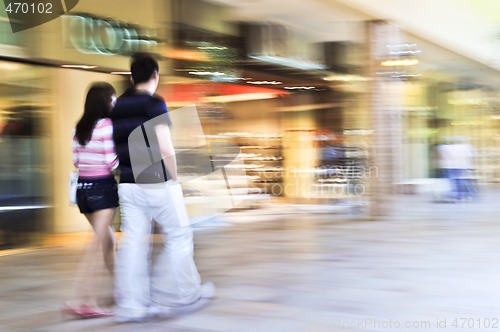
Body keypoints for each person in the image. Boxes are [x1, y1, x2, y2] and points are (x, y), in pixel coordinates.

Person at [110, 53, 214, 323]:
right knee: (179, 235)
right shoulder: (154, 103)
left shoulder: (117, 106)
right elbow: (165, 147)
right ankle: (183, 293)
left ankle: (132, 305)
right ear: (155, 76)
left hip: (128, 184)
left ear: (132, 77)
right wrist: (175, 177)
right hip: (156, 180)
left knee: (132, 243)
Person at [63, 82, 119, 318]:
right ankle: (83, 300)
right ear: (104, 101)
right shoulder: (106, 125)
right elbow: (111, 161)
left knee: (107, 241)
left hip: (83, 192)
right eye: (112, 98)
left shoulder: (79, 127)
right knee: (95, 246)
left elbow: (76, 161)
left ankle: (122, 290)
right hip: (102, 189)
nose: (115, 102)